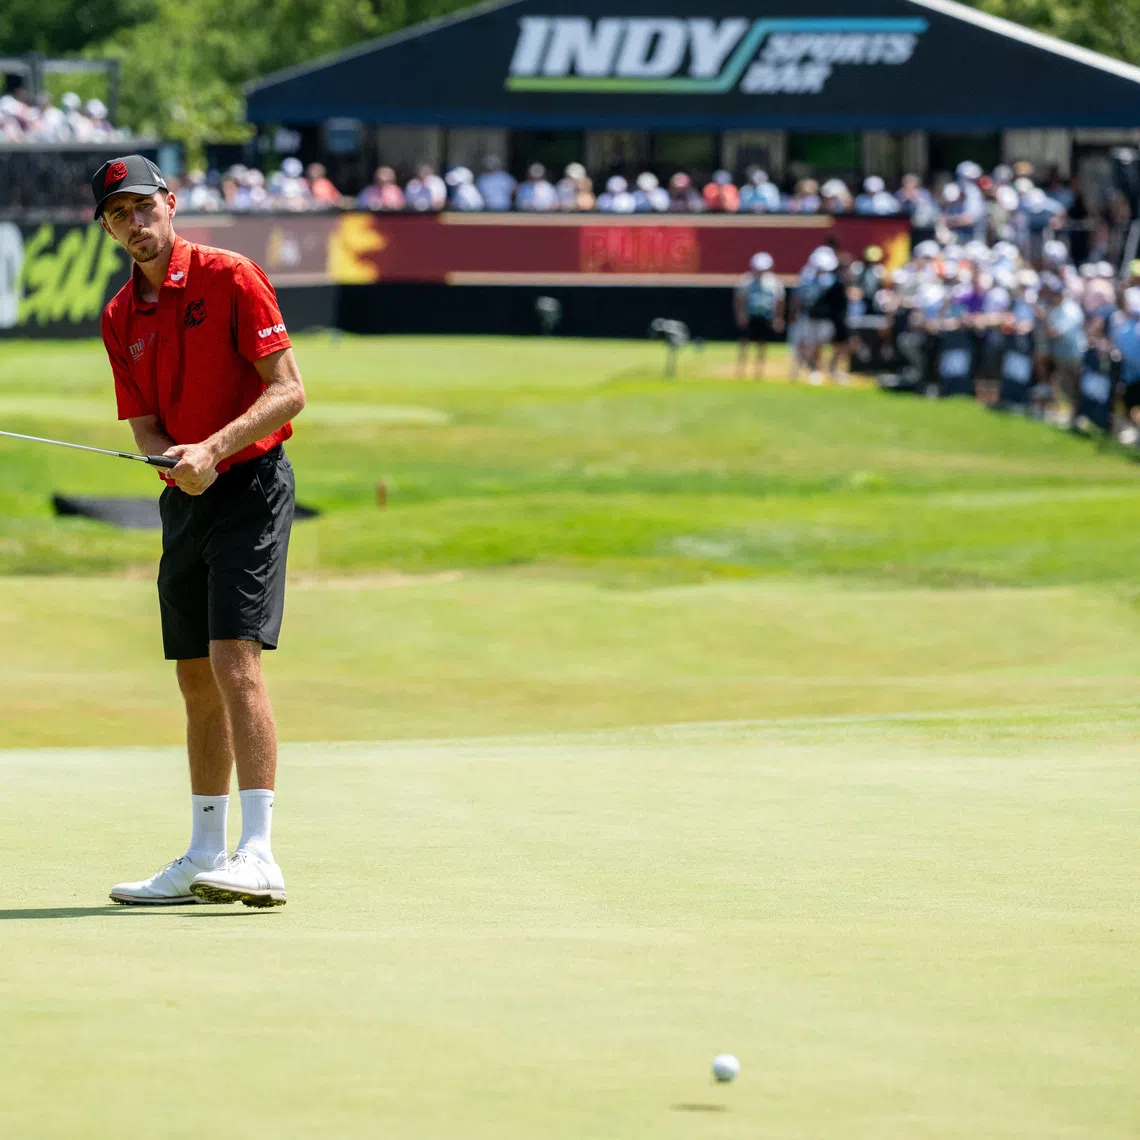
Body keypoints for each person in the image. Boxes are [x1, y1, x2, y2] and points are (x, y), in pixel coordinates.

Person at [94, 155, 305, 908]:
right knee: (192, 674)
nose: (135, 224)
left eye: (143, 207)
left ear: (171, 204)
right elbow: (148, 428)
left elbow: (290, 391)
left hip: (249, 485)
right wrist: (168, 463)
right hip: (187, 500)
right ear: (110, 228)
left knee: (233, 660)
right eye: (119, 214)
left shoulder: (230, 276)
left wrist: (212, 449)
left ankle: (260, 854)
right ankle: (205, 851)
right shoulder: (120, 317)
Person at [734, 252, 785, 379]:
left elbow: (779, 302)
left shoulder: (774, 283)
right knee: (744, 342)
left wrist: (778, 318)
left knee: (762, 343)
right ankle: (741, 370)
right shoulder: (746, 281)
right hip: (750, 315)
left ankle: (759, 371)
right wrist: (741, 314)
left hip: (765, 316)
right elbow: (740, 299)